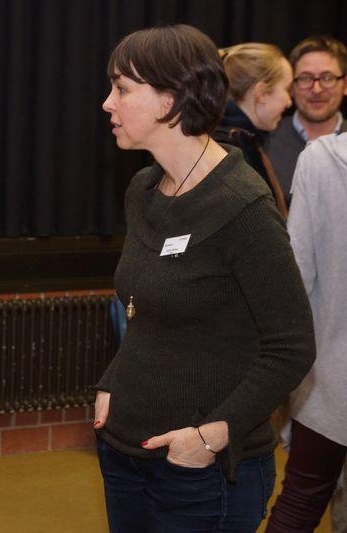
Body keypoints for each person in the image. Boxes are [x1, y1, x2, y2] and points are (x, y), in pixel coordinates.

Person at [95, 24, 315, 532]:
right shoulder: (144, 189)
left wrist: (212, 435)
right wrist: (112, 384)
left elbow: (292, 346)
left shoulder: (243, 206)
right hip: (125, 452)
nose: (108, 103)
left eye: (122, 89)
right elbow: (145, 312)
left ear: (170, 100)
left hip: (202, 472)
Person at [265, 133, 347, 532]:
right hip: (329, 381)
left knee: (302, 498)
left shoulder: (321, 160)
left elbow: (296, 278)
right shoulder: (321, 160)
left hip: (330, 379)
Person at [213, 43, 293, 218]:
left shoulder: (241, 140)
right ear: (262, 92)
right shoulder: (229, 150)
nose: (289, 102)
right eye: (287, 89)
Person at [265, 35, 347, 205]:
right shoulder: (264, 141)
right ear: (291, 86)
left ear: (345, 84)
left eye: (327, 78)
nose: (316, 90)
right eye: (306, 78)